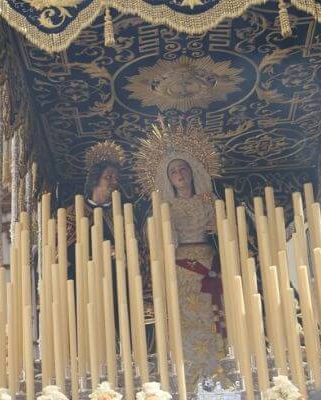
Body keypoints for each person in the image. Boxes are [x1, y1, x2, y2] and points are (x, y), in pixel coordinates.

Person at [133, 120, 227, 388]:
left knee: (213, 317)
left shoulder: (209, 201)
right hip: (180, 270)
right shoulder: (164, 207)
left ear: (192, 171)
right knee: (184, 319)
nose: (179, 174)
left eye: (182, 168)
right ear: (168, 178)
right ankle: (189, 377)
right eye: (173, 171)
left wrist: (219, 226)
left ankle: (217, 374)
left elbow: (229, 232)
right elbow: (154, 239)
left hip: (209, 264)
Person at [65, 140, 125, 278]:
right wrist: (100, 253)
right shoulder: (74, 212)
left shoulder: (122, 214)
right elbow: (63, 251)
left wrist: (121, 251)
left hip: (116, 279)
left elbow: (136, 249)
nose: (114, 182)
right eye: (109, 177)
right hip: (83, 279)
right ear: (95, 180)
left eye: (117, 178)